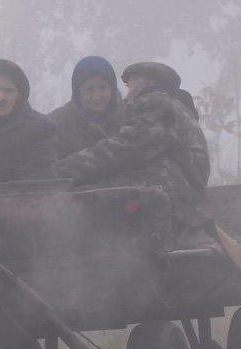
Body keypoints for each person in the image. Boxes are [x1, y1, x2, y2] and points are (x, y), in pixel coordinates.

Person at [49, 62, 210, 233]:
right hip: (178, 186)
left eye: (130, 83)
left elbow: (125, 149)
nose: (128, 89)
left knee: (84, 196)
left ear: (143, 83)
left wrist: (58, 172)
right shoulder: (167, 104)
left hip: (173, 187)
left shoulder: (156, 104)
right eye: (89, 89)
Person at [47, 56, 123, 159]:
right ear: (77, 92)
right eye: (89, 89)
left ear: (112, 88)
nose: (96, 96)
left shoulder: (130, 117)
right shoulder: (54, 124)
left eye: (102, 87)